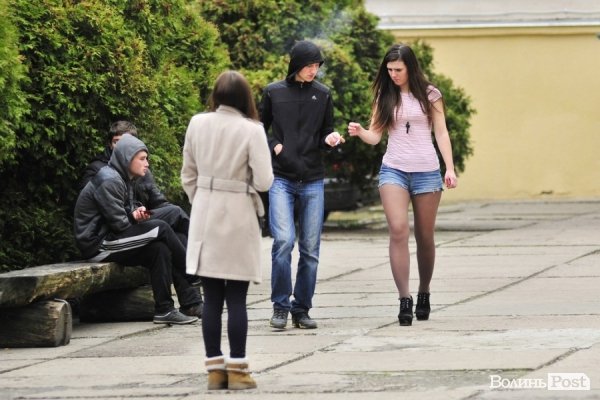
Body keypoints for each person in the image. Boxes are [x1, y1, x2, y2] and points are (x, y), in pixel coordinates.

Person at [347, 44, 457, 326]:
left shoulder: (431, 95)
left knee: (425, 236)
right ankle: (404, 299)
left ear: (410, 68)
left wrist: (449, 168)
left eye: (398, 69)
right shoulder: (385, 95)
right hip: (394, 170)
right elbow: (375, 136)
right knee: (398, 230)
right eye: (389, 70)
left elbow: (441, 132)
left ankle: (424, 291)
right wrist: (361, 132)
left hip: (427, 172)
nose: (393, 74)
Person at [181, 70, 273, 390]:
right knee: (236, 298)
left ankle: (214, 370)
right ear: (245, 96)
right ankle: (238, 370)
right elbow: (264, 181)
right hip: (238, 215)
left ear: (217, 94)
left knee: (210, 298)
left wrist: (202, 199)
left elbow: (187, 175)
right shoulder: (252, 129)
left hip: (205, 213)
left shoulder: (197, 123)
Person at [74, 133, 203, 325]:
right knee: (161, 228)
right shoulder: (109, 180)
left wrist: (136, 213)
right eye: (142, 159)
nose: (147, 164)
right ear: (127, 159)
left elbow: (123, 216)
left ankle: (164, 310)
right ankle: (191, 273)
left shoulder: (123, 178)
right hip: (99, 245)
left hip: (113, 237)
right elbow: (120, 225)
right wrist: (133, 217)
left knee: (160, 248)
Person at [259, 40, 344, 330]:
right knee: (283, 241)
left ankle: (302, 309)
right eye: (309, 65)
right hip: (281, 178)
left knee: (310, 249)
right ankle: (280, 307)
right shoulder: (273, 92)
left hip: (312, 179)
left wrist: (330, 140)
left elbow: (325, 132)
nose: (313, 70)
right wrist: (275, 145)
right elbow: (258, 129)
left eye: (317, 65)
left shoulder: (323, 94)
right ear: (296, 64)